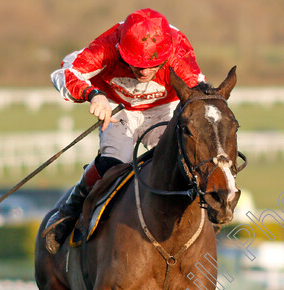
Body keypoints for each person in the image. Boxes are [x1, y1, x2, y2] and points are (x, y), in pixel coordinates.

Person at [43, 8, 205, 253]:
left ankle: (207, 209)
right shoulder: (108, 45)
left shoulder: (178, 49)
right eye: (136, 63)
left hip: (164, 110)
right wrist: (93, 95)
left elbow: (199, 94)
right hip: (118, 109)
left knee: (184, 159)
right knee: (114, 163)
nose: (143, 71)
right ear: (121, 49)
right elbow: (64, 73)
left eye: (150, 65)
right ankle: (70, 208)